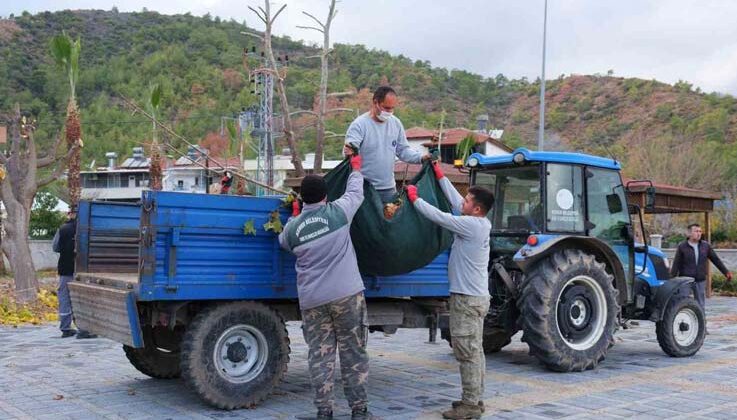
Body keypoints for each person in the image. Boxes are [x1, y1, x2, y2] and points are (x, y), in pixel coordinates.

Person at [278, 155, 372, 420]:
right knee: (353, 351)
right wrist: (355, 168)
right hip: (346, 295)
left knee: (320, 356)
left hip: (313, 301)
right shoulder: (339, 212)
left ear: (301, 198)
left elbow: (283, 243)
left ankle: (324, 412)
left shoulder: (292, 229)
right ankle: (360, 411)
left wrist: (295, 216)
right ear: (325, 196)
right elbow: (356, 191)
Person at [407, 162, 494, 420]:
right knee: (475, 351)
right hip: (476, 297)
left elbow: (441, 217)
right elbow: (456, 203)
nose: (463, 202)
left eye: (468, 200)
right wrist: (441, 176)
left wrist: (415, 200)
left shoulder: (472, 225)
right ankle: (475, 400)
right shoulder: (478, 221)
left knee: (467, 352)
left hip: (467, 300)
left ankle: (469, 407)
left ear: (476, 209)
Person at [343, 85, 431, 203]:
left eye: (392, 108)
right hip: (363, 189)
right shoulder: (359, 125)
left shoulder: (396, 123)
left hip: (388, 189)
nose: (389, 112)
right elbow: (350, 151)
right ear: (375, 103)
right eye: (386, 108)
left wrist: (421, 158)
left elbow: (403, 151)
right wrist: (349, 151)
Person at [52, 209, 96, 339]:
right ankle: (84, 329)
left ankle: (66, 328)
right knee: (82, 299)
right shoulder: (89, 228)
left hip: (66, 269)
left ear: (71, 214)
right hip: (83, 271)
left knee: (65, 298)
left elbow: (55, 247)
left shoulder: (63, 229)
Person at [670, 223, 733, 313]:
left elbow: (716, 260)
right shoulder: (682, 247)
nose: (699, 233)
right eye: (696, 231)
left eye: (700, 231)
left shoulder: (705, 246)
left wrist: (726, 272)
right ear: (689, 234)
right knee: (682, 303)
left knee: (700, 305)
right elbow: (676, 264)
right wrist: (672, 280)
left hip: (700, 280)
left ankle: (702, 325)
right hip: (685, 280)